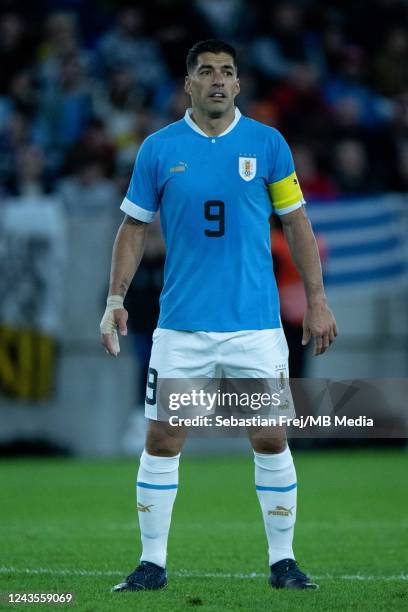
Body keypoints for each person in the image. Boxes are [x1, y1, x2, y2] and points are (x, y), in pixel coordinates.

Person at [100, 39, 337, 594]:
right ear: (188, 82)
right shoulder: (158, 149)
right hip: (182, 327)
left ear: (238, 83)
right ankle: (151, 564)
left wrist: (318, 298)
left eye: (227, 72)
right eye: (206, 71)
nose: (217, 81)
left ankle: (283, 562)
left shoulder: (267, 143)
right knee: (162, 439)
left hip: (255, 326)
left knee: (271, 437)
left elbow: (296, 223)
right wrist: (114, 300)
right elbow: (133, 228)